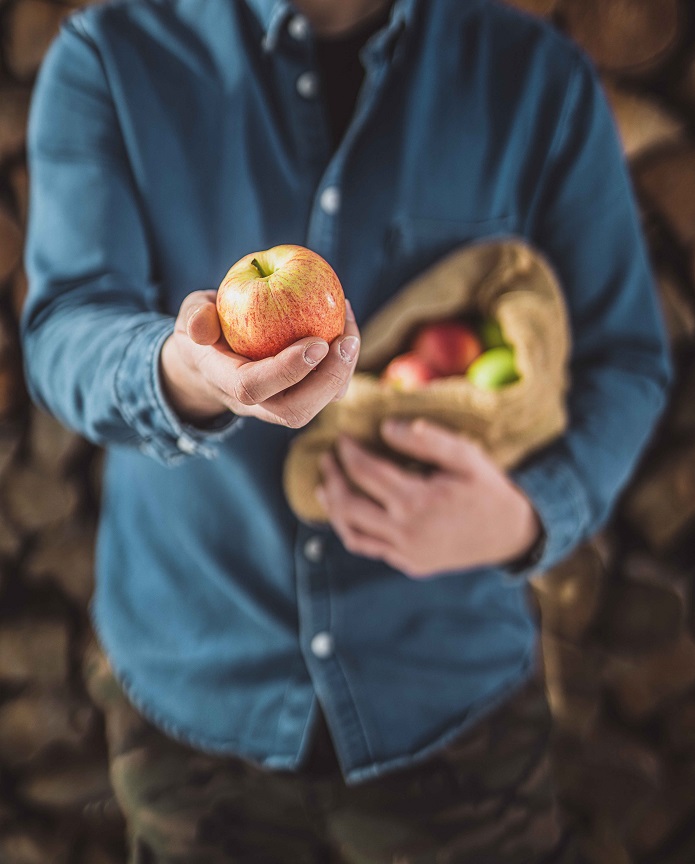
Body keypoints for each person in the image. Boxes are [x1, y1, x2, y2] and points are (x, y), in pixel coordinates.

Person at [21, 0, 671, 861]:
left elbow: (623, 361)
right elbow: (66, 327)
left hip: (452, 699)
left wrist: (523, 517)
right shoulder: (108, 59)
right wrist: (183, 373)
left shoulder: (532, 80)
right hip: (195, 697)